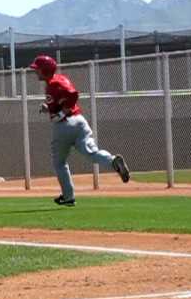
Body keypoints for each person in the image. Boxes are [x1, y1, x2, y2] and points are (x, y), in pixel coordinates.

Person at [30, 55, 130, 206]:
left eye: (37, 69)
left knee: (60, 163)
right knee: (92, 152)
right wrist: (52, 108)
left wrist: (61, 112)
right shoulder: (61, 79)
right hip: (80, 121)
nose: (35, 72)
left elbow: (70, 97)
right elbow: (68, 96)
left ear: (44, 70)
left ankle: (69, 197)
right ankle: (113, 161)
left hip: (64, 125)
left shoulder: (51, 84)